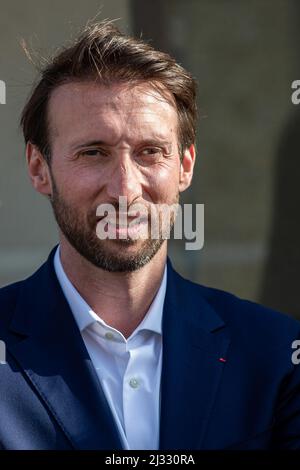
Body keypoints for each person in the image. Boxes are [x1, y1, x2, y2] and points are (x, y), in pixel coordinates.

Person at [0, 20, 300, 451]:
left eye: (150, 152)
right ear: (38, 168)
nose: (125, 189)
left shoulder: (276, 357)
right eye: (93, 152)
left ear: (185, 166)